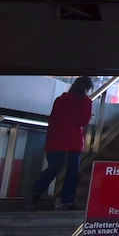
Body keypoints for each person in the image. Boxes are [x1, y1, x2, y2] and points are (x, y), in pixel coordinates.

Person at [28, 76, 93, 211]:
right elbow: (82, 121)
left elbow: (52, 119)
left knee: (53, 168)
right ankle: (68, 201)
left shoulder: (60, 100)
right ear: (86, 88)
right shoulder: (85, 101)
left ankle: (35, 193)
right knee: (72, 172)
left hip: (55, 139)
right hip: (74, 141)